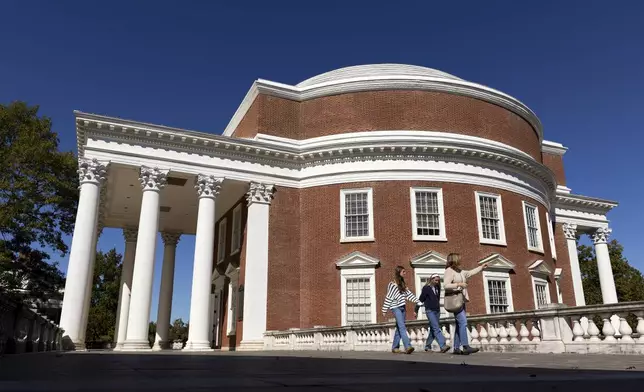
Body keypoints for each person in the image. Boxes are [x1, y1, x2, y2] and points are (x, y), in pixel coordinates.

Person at [443, 253, 489, 355]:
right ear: (454, 260)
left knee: (460, 324)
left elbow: (470, 272)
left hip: (461, 300)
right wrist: (459, 284)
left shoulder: (460, 271)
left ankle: (456, 348)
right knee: (463, 322)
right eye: (459, 258)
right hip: (455, 299)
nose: (461, 260)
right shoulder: (449, 271)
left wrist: (481, 267)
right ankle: (465, 346)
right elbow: (446, 285)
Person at [382, 266, 422, 354]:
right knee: (402, 327)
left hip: (402, 307)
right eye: (403, 271)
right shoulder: (392, 284)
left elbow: (408, 294)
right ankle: (408, 346)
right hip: (395, 307)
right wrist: (384, 309)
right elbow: (388, 297)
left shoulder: (402, 284)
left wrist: (418, 301)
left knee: (399, 327)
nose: (405, 273)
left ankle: (395, 347)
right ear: (399, 272)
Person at [414, 274, 450, 353]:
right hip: (429, 311)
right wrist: (416, 310)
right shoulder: (426, 288)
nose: (437, 282)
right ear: (432, 279)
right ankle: (443, 345)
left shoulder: (438, 287)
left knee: (433, 329)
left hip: (437, 311)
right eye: (436, 280)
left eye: (438, 280)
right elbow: (421, 299)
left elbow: (437, 299)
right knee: (436, 328)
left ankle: (427, 346)